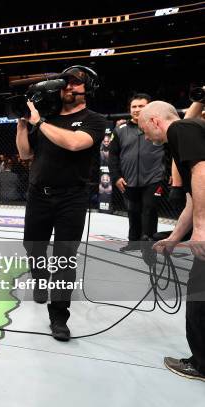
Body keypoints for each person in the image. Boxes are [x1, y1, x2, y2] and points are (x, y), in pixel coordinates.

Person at [16, 65, 107, 341]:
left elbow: (75, 144)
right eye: (66, 84)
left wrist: (40, 123)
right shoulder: (49, 116)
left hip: (72, 197)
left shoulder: (95, 119)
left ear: (88, 88)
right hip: (38, 194)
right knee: (32, 246)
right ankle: (41, 280)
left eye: (76, 84)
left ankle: (59, 317)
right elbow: (25, 154)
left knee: (65, 259)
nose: (69, 88)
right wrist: (22, 125)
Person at [139, 100, 205, 382]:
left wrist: (201, 230)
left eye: (144, 130)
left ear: (155, 121)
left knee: (199, 293)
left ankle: (201, 365)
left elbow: (202, 172)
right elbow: (192, 198)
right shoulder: (190, 132)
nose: (145, 137)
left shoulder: (181, 129)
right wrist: (174, 238)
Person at [108, 93, 164, 251]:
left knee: (149, 209)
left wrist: (173, 173)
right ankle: (133, 242)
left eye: (142, 106)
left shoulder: (159, 127)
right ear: (129, 109)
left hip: (154, 177)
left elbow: (171, 150)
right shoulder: (120, 129)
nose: (137, 109)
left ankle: (149, 244)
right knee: (133, 210)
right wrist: (116, 176)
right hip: (128, 178)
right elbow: (112, 155)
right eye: (134, 106)